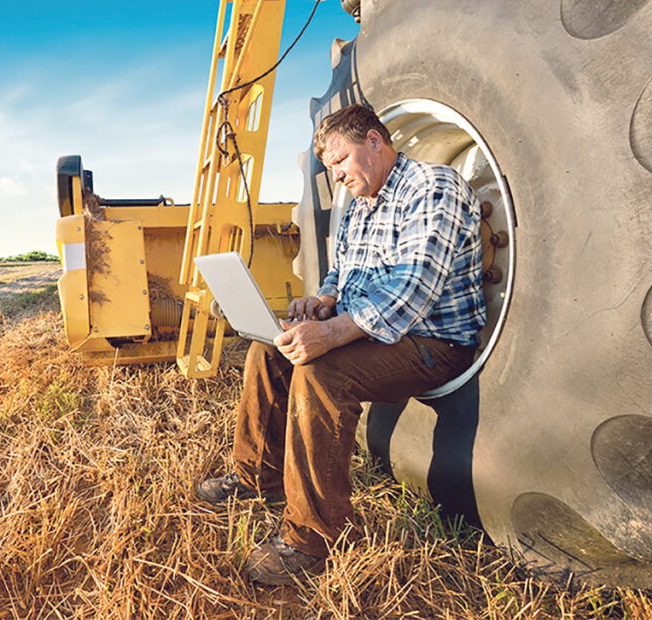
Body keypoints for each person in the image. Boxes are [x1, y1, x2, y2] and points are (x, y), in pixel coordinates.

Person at [195, 104, 487, 585]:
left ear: (375, 141)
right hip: (374, 331)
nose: (335, 175)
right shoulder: (360, 203)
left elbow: (412, 288)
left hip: (431, 339)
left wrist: (330, 334)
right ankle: (255, 479)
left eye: (340, 160)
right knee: (268, 352)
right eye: (328, 167)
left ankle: (312, 537)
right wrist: (325, 300)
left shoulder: (433, 187)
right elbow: (343, 270)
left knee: (320, 372)